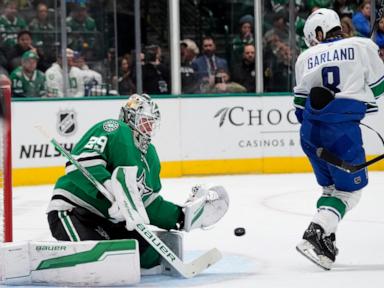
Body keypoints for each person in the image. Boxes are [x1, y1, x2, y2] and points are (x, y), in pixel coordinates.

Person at [46, 93, 229, 269]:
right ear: (129, 116)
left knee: (150, 258)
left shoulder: (150, 156)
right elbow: (80, 164)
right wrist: (111, 189)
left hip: (110, 219)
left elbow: (147, 203)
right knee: (98, 261)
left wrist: (180, 216)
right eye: (145, 122)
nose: (149, 129)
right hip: (73, 211)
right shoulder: (114, 128)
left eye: (152, 124)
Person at [294, 8, 384, 270]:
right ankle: (316, 232)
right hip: (341, 131)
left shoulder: (304, 58)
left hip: (310, 133)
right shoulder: (361, 45)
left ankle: (326, 242)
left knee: (331, 190)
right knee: (350, 192)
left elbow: (299, 108)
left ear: (320, 33)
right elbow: (379, 88)